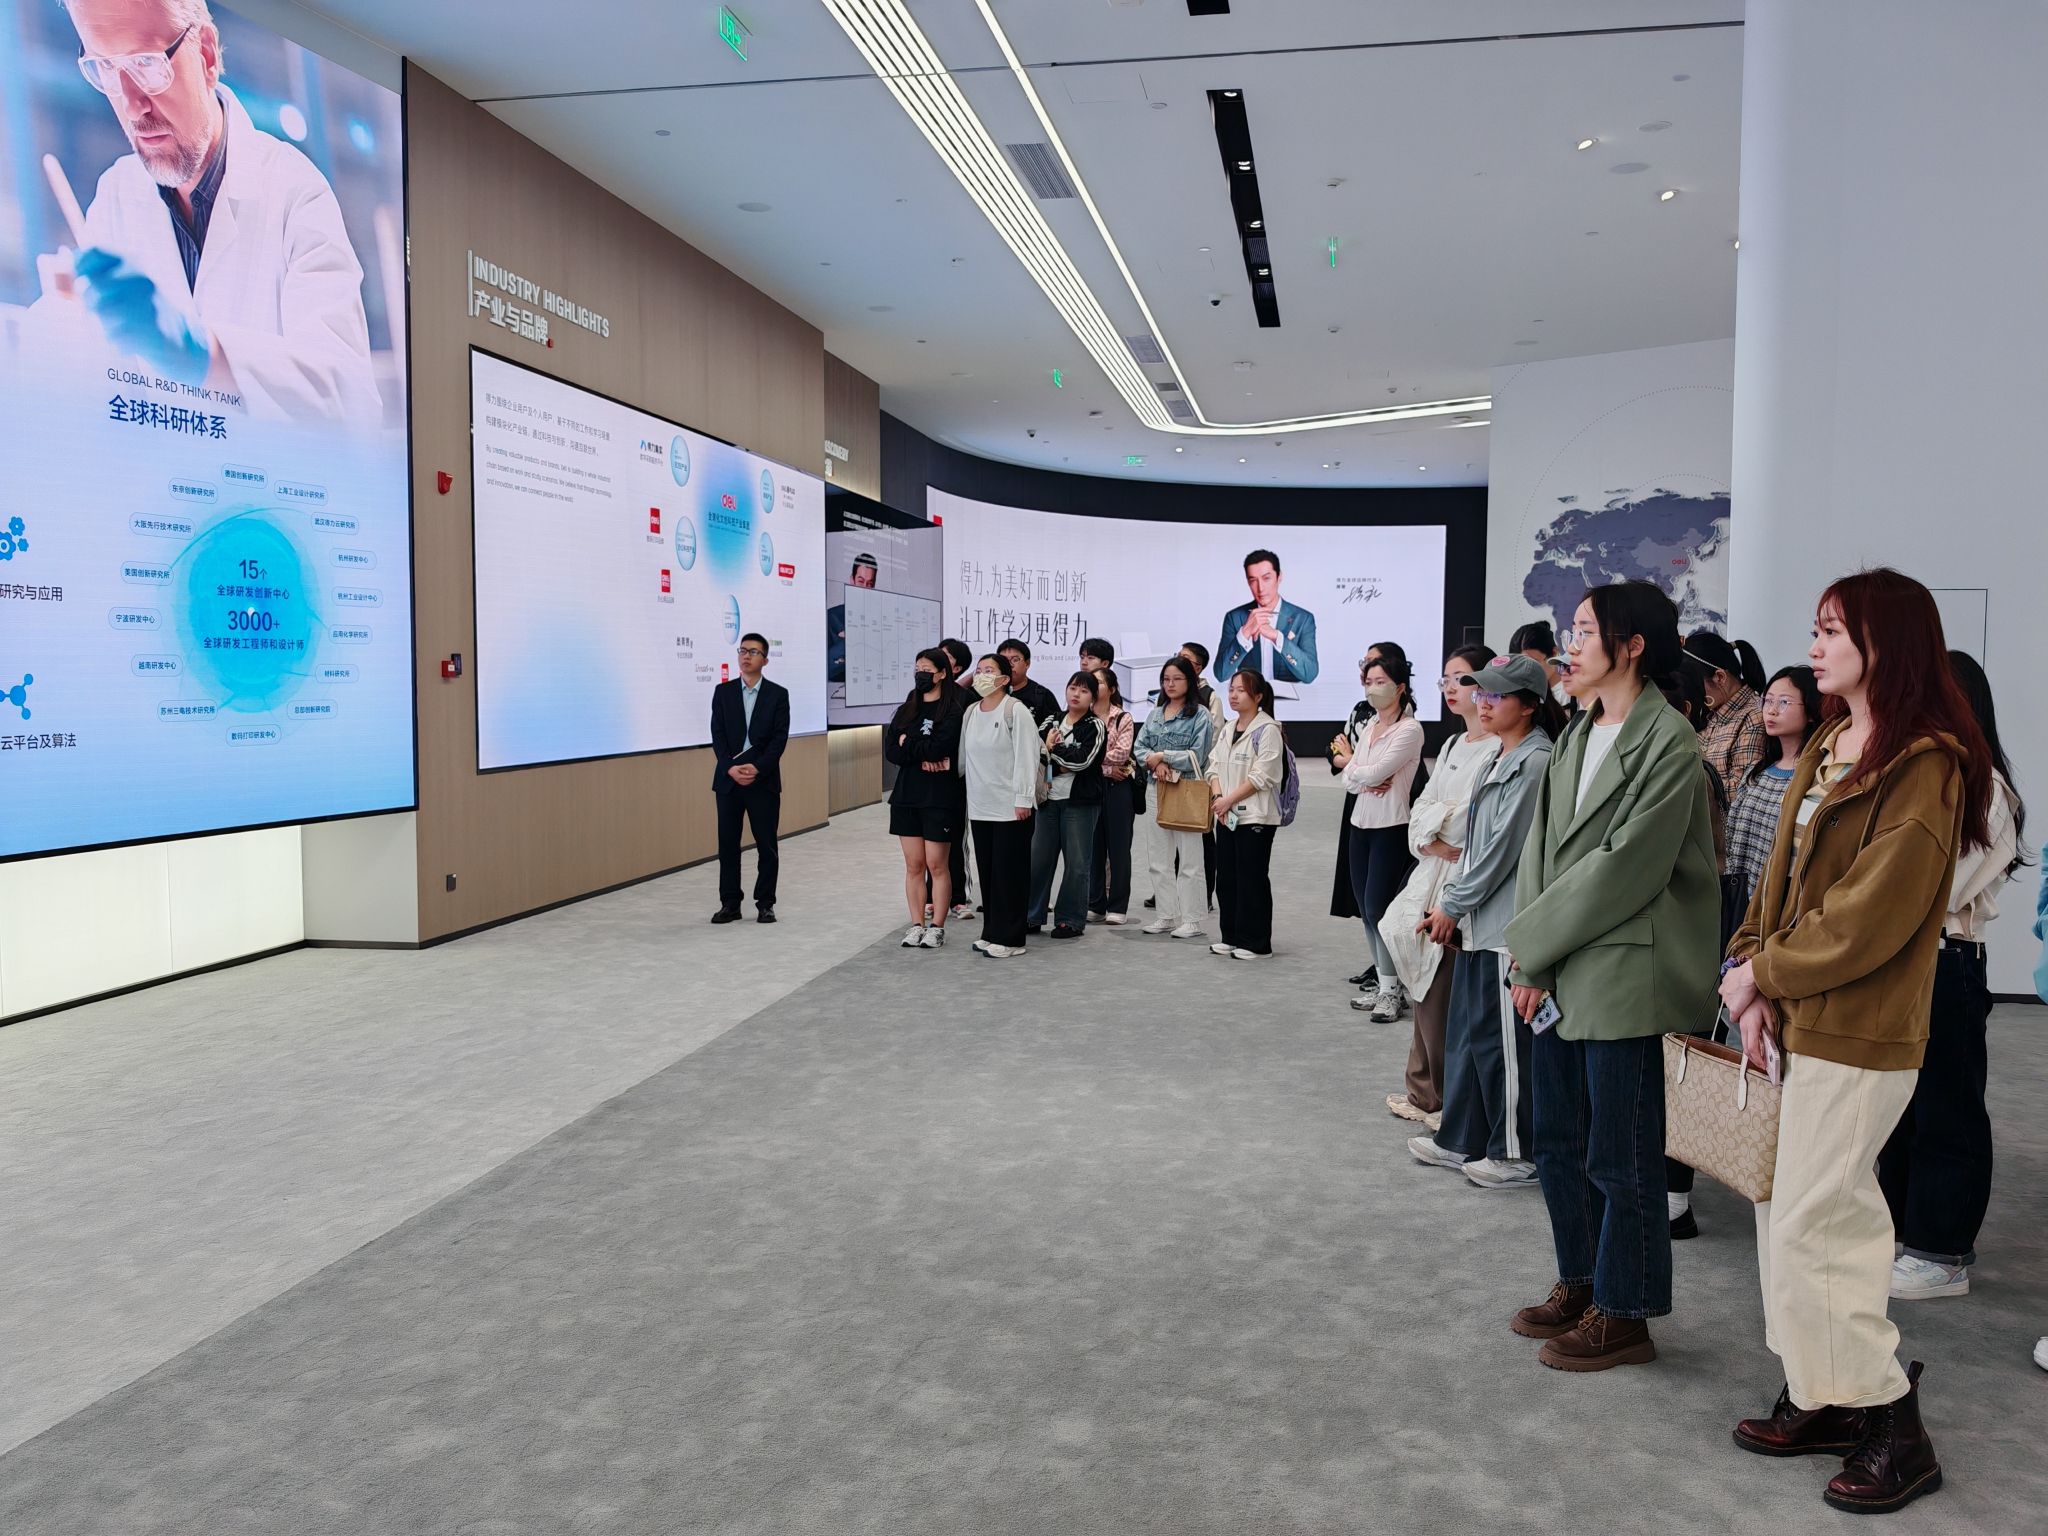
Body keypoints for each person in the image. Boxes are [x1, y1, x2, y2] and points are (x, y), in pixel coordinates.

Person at [1721, 570, 1994, 1515]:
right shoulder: (1834, 742)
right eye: (1818, 627)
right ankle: (1823, 1392)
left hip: (1860, 1028)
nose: (1816, 645)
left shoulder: (1926, 763)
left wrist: (1765, 973)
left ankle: (1892, 1421)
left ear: (1889, 644)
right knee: (1783, 1216)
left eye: (1835, 630)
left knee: (1823, 1222)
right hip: (1796, 1012)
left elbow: (1869, 915)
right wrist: (1748, 964)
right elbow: (1779, 878)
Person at [1503, 581, 1719, 1372]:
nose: (1571, 641)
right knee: (1557, 1138)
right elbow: (1540, 849)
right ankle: (1584, 1281)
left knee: (1619, 1153)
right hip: (1561, 960)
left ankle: (1626, 1312)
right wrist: (1531, 956)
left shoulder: (1669, 742)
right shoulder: (1579, 730)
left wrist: (1538, 946)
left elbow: (1625, 867)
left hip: (1625, 966)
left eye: (1586, 629)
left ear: (1632, 646)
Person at [47, 0, 381, 421]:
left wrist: (202, 353)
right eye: (106, 69)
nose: (132, 105)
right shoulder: (117, 194)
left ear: (205, 54)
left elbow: (351, 407)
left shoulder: (295, 193)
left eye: (147, 64)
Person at [1877, 652, 2025, 1301]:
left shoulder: (1985, 788)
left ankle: (1943, 1252)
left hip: (1947, 959)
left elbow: (1932, 885)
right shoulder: (1923, 776)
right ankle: (1906, 1232)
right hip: (1905, 959)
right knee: (1899, 1107)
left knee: (1948, 1109)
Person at [1406, 656, 1559, 1189]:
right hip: (1478, 921)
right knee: (1469, 1038)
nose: (1484, 702)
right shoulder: (1499, 754)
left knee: (1504, 1046)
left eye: (1498, 695)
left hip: (1502, 927)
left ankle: (1517, 1152)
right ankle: (1462, 1138)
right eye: (1482, 693)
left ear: (1530, 705)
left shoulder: (1534, 763)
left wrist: (1453, 904)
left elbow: (1501, 852)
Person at [1381, 645, 1499, 1126]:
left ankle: (1443, 1097)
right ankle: (1423, 1090)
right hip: (1433, 871)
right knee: (1424, 980)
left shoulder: (1497, 749)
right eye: (1446, 679)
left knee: (1443, 988)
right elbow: (1421, 813)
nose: (1451, 688)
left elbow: (1469, 822)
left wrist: (1438, 823)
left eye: (1462, 679)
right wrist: (1432, 833)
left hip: (1463, 878)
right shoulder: (1452, 744)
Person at [1332, 653, 1424, 1020]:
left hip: (1391, 827)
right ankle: (1385, 983)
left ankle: (1392, 990)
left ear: (1399, 687)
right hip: (1360, 825)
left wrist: (1359, 770)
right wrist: (1361, 772)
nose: (1372, 688)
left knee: (1379, 909)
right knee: (1366, 912)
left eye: (1380, 681)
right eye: (1368, 682)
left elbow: (1369, 773)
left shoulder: (1410, 729)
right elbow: (1351, 779)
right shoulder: (1370, 725)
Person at [1723, 666, 1822, 921]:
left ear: (1811, 711)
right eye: (1767, 701)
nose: (1772, 710)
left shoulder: (1814, 780)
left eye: (1784, 702)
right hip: (1737, 903)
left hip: (1781, 909)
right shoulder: (1756, 772)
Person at [959, 653, 1039, 958]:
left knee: (1010, 874)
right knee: (989, 872)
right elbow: (965, 760)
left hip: (1011, 807)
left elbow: (1027, 757)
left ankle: (1012, 939)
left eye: (988, 670)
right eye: (978, 670)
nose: (981, 675)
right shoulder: (971, 712)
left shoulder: (1015, 710)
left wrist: (1023, 798)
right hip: (980, 805)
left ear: (1004, 679)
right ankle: (991, 931)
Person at [885, 648, 965, 951]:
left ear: (942, 673)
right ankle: (916, 923)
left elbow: (939, 747)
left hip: (939, 797)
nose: (921, 674)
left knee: (937, 864)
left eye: (927, 669)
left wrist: (910, 745)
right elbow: (892, 751)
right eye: (917, 668)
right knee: (914, 864)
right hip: (906, 795)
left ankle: (937, 926)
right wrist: (920, 754)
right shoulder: (907, 709)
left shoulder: (952, 711)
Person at [709, 632, 790, 925]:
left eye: (754, 652)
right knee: (728, 845)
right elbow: (717, 735)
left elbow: (779, 739)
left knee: (766, 844)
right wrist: (729, 767)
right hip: (728, 781)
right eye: (743, 650)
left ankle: (765, 903)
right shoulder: (723, 692)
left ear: (765, 660)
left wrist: (758, 768)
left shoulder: (778, 694)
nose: (746, 656)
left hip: (762, 780)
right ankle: (730, 903)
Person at [1134, 656, 1216, 940]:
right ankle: (1166, 915)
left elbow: (1198, 755)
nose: (1170, 684)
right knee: (1158, 858)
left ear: (1189, 681)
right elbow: (1140, 747)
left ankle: (1192, 919)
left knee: (1190, 859)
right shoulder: (1155, 714)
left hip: (1187, 789)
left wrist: (1163, 756)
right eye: (1166, 679)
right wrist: (1155, 762)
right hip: (1156, 788)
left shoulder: (1200, 715)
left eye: (1177, 679)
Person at [1206, 669, 1286, 959]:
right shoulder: (1229, 728)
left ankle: (1257, 943)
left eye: (1241, 690)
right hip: (1226, 814)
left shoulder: (1268, 730)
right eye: (1231, 689)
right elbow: (1213, 766)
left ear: (1259, 696)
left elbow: (1262, 776)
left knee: (1252, 878)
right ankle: (1231, 936)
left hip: (1255, 817)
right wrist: (1219, 799)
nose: (1234, 695)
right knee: (1227, 878)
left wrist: (1227, 800)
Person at [1027, 671, 1107, 939]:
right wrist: (1051, 754)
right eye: (1073, 688)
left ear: (1093, 698)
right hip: (1047, 800)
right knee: (1039, 859)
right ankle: (1031, 915)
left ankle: (1070, 920)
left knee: (1077, 863)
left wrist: (1053, 751)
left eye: (1084, 691)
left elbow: (1083, 761)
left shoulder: (1095, 726)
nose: (1076, 694)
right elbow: (1034, 749)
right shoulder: (1052, 719)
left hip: (1080, 803)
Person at [1213, 549, 1319, 685]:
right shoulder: (1234, 618)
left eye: (1266, 578)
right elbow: (1221, 674)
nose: (1260, 588)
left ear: (1279, 577)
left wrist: (1277, 637)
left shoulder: (1303, 619)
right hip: (1251, 696)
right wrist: (1244, 634)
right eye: (1253, 580)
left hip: (1290, 697)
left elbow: (1310, 674)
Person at [1686, 630, 1769, 800]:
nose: (1692, 692)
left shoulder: (1754, 717)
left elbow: (1740, 791)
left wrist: (1684, 783)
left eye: (1696, 684)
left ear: (1720, 677)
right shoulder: (1711, 713)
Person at [1087, 668, 1138, 925]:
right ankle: (1095, 904)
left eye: (1099, 682)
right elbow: (1075, 754)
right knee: (1093, 848)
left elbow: (1121, 753)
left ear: (1112, 689)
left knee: (1119, 848)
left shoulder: (1123, 718)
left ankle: (1118, 906)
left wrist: (1091, 759)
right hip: (1090, 787)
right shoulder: (1082, 716)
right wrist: (1105, 768)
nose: (1093, 686)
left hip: (1119, 789)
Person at [1179, 640, 1224, 912]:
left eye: (1185, 659)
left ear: (1198, 667)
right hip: (1171, 776)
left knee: (1203, 836)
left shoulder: (1210, 696)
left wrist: (1190, 762)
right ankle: (1173, 890)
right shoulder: (1169, 693)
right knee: (1172, 831)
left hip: (1199, 776)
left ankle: (1204, 893)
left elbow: (1213, 739)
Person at [938, 637, 978, 920]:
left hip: (956, 777)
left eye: (946, 656)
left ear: (957, 667)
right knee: (929, 842)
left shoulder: (966, 699)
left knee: (954, 838)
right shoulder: (920, 695)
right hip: (926, 780)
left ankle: (958, 898)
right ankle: (932, 896)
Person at [999, 637, 1061, 729]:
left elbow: (1055, 729)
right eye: (1004, 661)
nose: (1009, 665)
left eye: (1015, 660)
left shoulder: (1042, 695)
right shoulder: (990, 693)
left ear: (1027, 663)